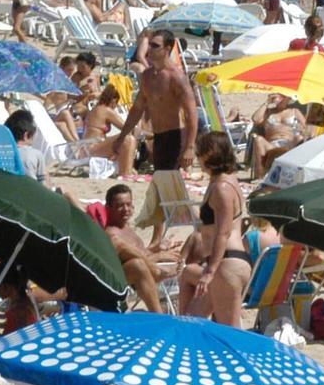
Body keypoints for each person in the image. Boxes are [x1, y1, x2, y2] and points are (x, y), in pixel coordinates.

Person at [177, 132, 251, 325]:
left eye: (199, 152)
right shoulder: (222, 182)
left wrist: (209, 271)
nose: (197, 158)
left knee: (229, 334)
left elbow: (223, 232)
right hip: (224, 262)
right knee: (189, 322)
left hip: (227, 264)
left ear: (209, 154)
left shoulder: (222, 188)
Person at [112, 29, 200, 174]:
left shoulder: (176, 78)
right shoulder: (147, 76)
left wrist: (190, 147)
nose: (149, 49)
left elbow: (191, 114)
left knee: (168, 184)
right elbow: (137, 109)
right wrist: (122, 137)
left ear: (167, 49)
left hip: (175, 137)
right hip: (157, 137)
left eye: (155, 45)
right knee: (161, 183)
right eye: (149, 45)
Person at [100, 182, 181, 312]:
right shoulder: (111, 233)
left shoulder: (126, 228)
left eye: (128, 204)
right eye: (120, 206)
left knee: (191, 249)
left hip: (146, 272)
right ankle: (159, 315)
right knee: (137, 264)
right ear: (108, 208)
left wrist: (158, 248)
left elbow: (140, 252)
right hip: (123, 280)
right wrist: (157, 257)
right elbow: (128, 258)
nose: (126, 209)